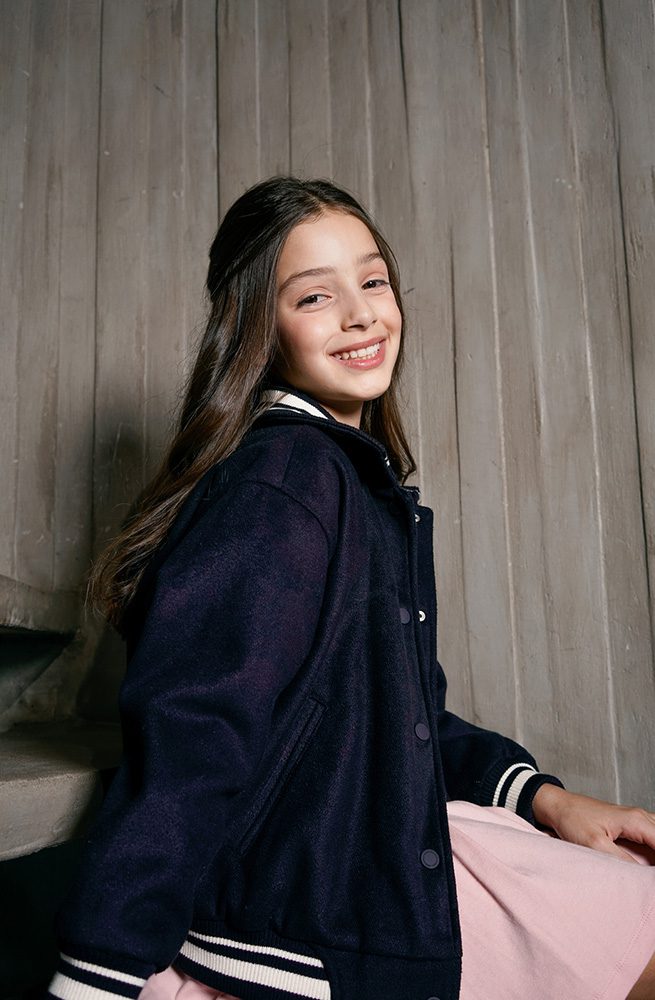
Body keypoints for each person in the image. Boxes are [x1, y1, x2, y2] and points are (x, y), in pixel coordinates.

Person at [47, 177, 655, 1000]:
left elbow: (398, 716)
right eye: (314, 296)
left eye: (372, 281)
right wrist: (94, 975)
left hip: (381, 851)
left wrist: (544, 799)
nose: (362, 314)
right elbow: (192, 738)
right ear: (258, 328)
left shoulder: (350, 480)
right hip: (312, 909)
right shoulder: (286, 480)